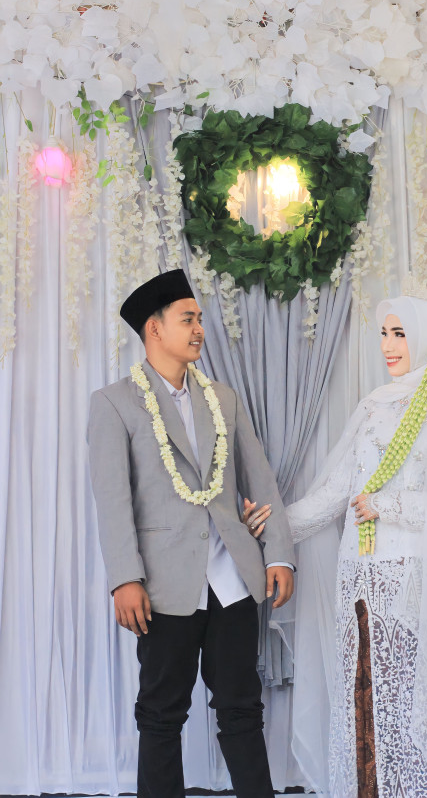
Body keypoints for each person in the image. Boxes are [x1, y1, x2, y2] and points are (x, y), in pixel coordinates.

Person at [244, 283, 427, 798]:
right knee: (362, 698)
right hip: (356, 580)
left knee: (408, 705)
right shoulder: (373, 406)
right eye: (384, 333)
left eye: (400, 334)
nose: (387, 345)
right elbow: (333, 496)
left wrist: (390, 505)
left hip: (411, 581)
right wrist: (267, 527)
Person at [88, 268, 295, 798]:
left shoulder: (221, 398)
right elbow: (112, 500)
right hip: (163, 586)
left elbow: (260, 480)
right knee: (161, 713)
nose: (200, 329)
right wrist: (125, 579)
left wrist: (278, 554)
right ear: (154, 328)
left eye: (200, 318)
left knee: (242, 707)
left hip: (231, 581)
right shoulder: (114, 403)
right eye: (188, 319)